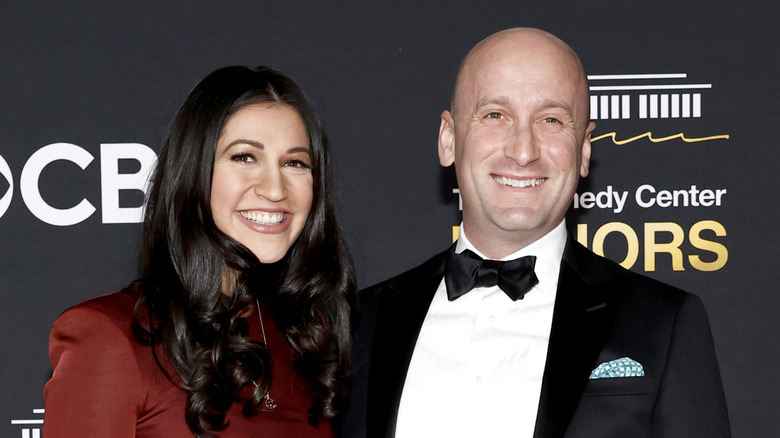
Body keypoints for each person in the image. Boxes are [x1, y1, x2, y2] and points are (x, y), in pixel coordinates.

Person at [342, 28, 730, 438]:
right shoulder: (360, 322)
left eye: (551, 120)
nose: (523, 151)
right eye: (495, 115)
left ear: (584, 151)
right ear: (448, 139)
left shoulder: (663, 323)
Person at [43, 66, 356, 437]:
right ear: (193, 172)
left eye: (295, 163)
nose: (275, 189)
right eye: (244, 157)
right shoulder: (111, 336)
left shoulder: (307, 339)